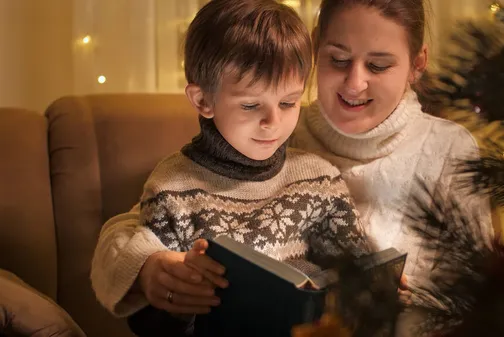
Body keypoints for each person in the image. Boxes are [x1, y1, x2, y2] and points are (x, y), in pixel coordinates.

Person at [91, 0, 492, 330]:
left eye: (378, 66)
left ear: (417, 64)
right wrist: (149, 268)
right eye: (337, 59)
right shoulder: (276, 139)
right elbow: (136, 228)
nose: (354, 83)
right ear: (316, 48)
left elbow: (480, 296)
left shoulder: (447, 150)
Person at [92, 0, 376, 335]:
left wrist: (376, 286)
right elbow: (153, 322)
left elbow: (356, 269)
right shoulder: (172, 187)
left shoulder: (319, 179)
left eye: (288, 102)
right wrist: (179, 295)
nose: (273, 121)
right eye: (251, 105)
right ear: (203, 101)